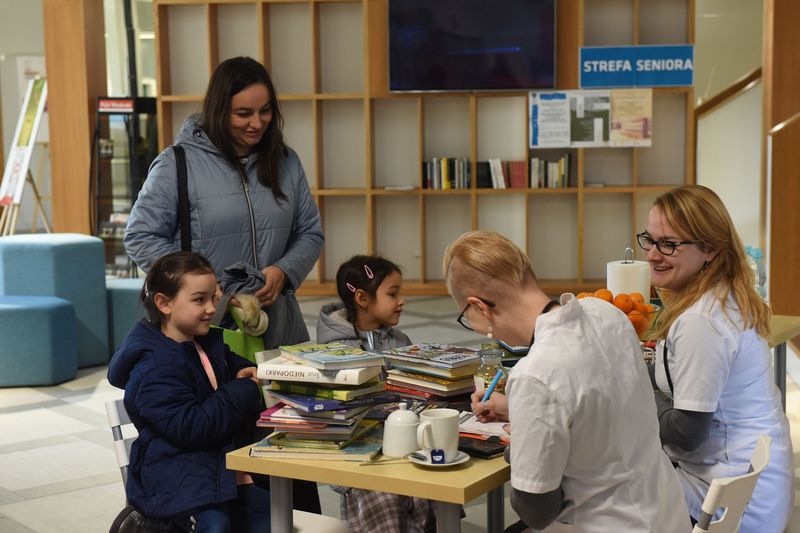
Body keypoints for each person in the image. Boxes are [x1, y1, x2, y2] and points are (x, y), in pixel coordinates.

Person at [443, 230, 691, 533]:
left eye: (467, 317)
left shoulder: (534, 374)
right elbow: (598, 401)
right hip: (666, 513)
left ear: (479, 306)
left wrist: (522, 444)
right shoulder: (607, 314)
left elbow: (536, 510)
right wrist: (519, 409)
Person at [124, 55, 323, 350]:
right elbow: (140, 237)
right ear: (218, 110)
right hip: (208, 326)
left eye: (265, 111)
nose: (257, 123)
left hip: (278, 324)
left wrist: (283, 271)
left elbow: (310, 232)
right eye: (243, 113)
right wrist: (203, 289)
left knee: (277, 397)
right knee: (223, 395)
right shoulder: (176, 164)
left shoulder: (285, 160)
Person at [640, 184, 793, 532]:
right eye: (649, 240)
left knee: (589, 496)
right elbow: (676, 374)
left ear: (709, 248)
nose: (651, 255)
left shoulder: (701, 321)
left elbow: (685, 433)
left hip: (725, 505)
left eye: (669, 244)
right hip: (744, 487)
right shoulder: (723, 294)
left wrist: (630, 383)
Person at [107, 251, 269, 532]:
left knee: (273, 512)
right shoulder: (154, 368)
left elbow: (222, 360)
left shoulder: (199, 339)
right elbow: (191, 426)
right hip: (174, 478)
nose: (210, 308)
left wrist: (239, 368)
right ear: (164, 303)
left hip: (212, 465)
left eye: (213, 298)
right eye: (199, 300)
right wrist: (243, 390)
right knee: (217, 525)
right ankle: (149, 524)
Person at [315, 254, 436, 533]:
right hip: (364, 459)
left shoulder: (399, 340)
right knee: (386, 504)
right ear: (362, 299)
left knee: (431, 493)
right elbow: (332, 413)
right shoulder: (335, 350)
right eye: (393, 294)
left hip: (408, 444)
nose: (401, 300)